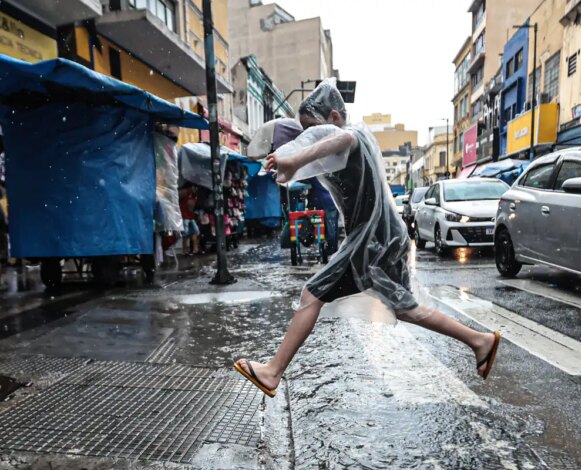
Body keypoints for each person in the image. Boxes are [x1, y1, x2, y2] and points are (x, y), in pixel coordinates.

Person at [235, 81, 501, 398]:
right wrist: (292, 161)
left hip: (371, 240)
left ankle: (273, 371)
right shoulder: (343, 144)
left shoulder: (353, 135)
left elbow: (342, 138)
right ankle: (479, 341)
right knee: (405, 308)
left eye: (314, 130)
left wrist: (295, 159)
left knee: (312, 293)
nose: (311, 137)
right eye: (305, 133)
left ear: (334, 116)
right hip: (382, 238)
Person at [306, 176, 340, 255]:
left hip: (320, 200)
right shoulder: (328, 171)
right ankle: (332, 248)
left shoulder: (313, 172)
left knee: (323, 225)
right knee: (332, 225)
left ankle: (329, 248)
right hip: (332, 200)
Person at [178, 185, 200, 256]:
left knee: (195, 232)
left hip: (190, 216)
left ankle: (194, 249)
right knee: (186, 234)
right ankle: (186, 250)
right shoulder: (186, 192)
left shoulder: (194, 195)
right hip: (185, 216)